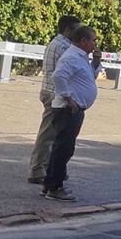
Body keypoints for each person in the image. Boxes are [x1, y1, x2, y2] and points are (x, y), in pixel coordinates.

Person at [42, 26, 102, 202]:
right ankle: (55, 187)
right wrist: (69, 99)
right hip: (68, 109)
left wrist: (96, 62)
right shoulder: (71, 57)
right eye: (93, 40)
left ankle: (49, 183)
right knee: (63, 149)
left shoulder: (82, 57)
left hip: (74, 109)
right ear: (83, 41)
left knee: (63, 148)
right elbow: (58, 77)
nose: (95, 44)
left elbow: (90, 76)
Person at [28, 15, 81, 184]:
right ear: (68, 30)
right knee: (48, 135)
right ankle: (38, 170)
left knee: (55, 134)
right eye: (76, 30)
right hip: (54, 93)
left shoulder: (56, 43)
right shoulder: (65, 47)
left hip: (50, 91)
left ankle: (49, 169)